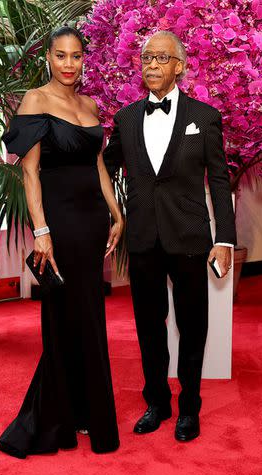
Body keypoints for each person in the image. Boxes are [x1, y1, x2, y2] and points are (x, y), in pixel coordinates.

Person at [103, 31, 237, 442]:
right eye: (146, 58)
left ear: (179, 66)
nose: (152, 65)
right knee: (148, 325)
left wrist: (225, 239)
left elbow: (218, 179)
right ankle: (157, 402)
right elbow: (101, 169)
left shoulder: (205, 116)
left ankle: (189, 408)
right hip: (143, 239)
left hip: (191, 238)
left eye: (162, 58)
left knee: (193, 325)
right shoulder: (125, 118)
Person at [0, 26, 122, 458]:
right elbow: (30, 172)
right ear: (48, 57)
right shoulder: (35, 100)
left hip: (91, 222)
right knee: (65, 314)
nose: (69, 64)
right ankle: (61, 415)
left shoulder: (88, 104)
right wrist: (42, 231)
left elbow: (99, 167)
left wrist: (117, 211)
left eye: (76, 56)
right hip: (60, 222)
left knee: (90, 314)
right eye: (61, 55)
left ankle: (86, 410)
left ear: (84, 59)